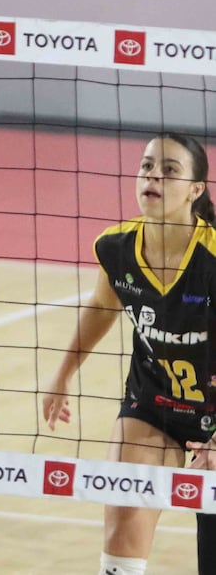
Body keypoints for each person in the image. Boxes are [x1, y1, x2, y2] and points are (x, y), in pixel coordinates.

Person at [42, 132, 216, 575]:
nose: (153, 175)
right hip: (153, 402)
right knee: (123, 512)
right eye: (146, 166)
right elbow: (102, 306)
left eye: (170, 170)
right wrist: (63, 374)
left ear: (196, 190)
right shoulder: (117, 248)